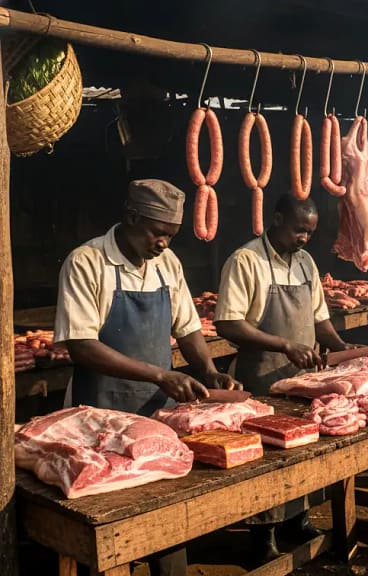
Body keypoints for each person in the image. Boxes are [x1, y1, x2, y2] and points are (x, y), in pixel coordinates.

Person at [55, 179, 241, 576]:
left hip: (158, 418)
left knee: (167, 522)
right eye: (157, 233)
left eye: (171, 236)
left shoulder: (167, 265)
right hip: (99, 419)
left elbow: (187, 327)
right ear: (131, 217)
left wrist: (209, 370)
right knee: (107, 526)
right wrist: (160, 374)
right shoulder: (86, 262)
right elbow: (81, 345)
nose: (163, 244)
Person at [214, 194, 352, 560]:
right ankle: (263, 534)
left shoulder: (306, 263)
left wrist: (339, 345)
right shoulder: (246, 260)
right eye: (298, 230)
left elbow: (319, 316)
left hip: (302, 376)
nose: (303, 238)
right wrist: (283, 344)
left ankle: (298, 519)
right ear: (276, 220)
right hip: (260, 374)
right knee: (268, 457)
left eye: (309, 232)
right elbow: (227, 322)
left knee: (303, 447)